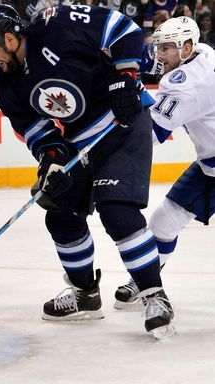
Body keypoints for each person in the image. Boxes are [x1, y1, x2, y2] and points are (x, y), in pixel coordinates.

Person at [0, 4, 174, 338]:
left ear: (8, 38)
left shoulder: (56, 24)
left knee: (116, 211)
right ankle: (85, 294)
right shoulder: (6, 85)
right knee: (60, 213)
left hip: (123, 125)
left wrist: (126, 75)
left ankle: (155, 296)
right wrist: (52, 160)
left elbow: (123, 28)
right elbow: (38, 133)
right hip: (82, 146)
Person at [114, 16, 215, 309]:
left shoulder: (184, 86)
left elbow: (151, 135)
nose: (159, 55)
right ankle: (146, 280)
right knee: (164, 222)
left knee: (164, 222)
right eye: (159, 48)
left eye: (166, 49)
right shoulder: (204, 52)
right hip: (210, 165)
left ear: (186, 47)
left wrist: (131, 93)